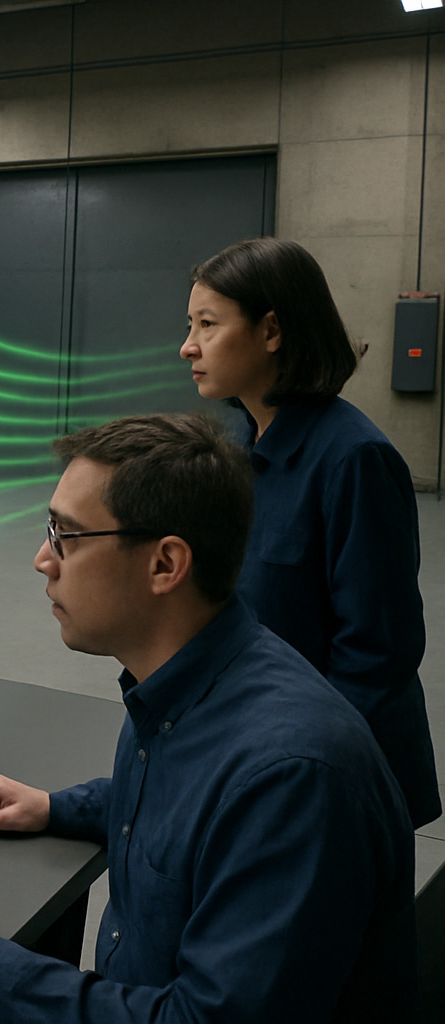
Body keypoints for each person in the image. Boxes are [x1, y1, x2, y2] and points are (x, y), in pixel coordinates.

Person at [0, 414, 416, 1023]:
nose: (42, 559)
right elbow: (191, 802)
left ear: (166, 565)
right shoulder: (189, 684)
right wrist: (57, 807)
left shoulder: (291, 780)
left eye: (67, 535)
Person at [180, 237, 439, 827]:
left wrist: (301, 773)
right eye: (190, 323)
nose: (187, 345)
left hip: (330, 777)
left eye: (207, 324)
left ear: (272, 331)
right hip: (258, 750)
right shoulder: (241, 447)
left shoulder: (354, 460)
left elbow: (376, 657)